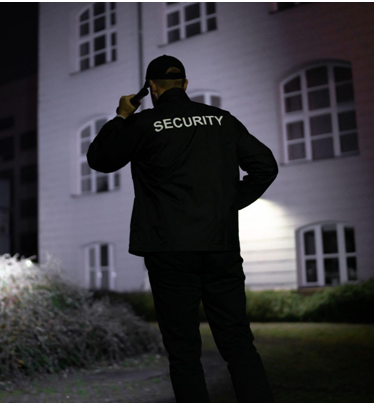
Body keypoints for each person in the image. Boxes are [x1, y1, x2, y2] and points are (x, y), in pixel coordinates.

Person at [87, 54, 278, 403]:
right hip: (219, 246)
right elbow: (265, 166)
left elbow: (99, 159)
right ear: (185, 85)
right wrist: (227, 204)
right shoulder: (222, 121)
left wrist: (121, 115)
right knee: (237, 342)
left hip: (169, 250)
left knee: (183, 349)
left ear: (152, 88)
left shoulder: (143, 124)